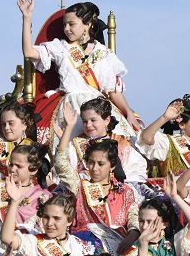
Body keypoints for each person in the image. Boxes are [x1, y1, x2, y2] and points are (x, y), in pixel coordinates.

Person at [19, 0, 143, 146]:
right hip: (69, 106)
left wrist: (128, 113)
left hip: (98, 106)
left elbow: (112, 91)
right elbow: (29, 52)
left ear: (87, 25)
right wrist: (27, 17)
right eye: (64, 25)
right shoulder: (61, 47)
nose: (66, 29)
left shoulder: (104, 53)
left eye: (71, 24)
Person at [54, 102, 140, 239]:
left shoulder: (124, 191)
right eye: (91, 163)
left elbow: (133, 217)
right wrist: (69, 128)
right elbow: (61, 164)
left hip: (118, 244)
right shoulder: (80, 186)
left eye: (100, 164)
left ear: (112, 165)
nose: (94, 168)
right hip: (85, 244)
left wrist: (132, 235)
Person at [63, 97, 148, 185]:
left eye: (93, 120)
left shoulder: (120, 142)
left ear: (106, 120)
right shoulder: (75, 145)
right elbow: (67, 170)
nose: (88, 125)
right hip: (86, 190)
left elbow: (136, 168)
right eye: (85, 121)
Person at [138, 95, 190, 182]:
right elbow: (146, 138)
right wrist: (165, 118)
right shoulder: (169, 143)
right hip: (170, 193)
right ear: (182, 125)